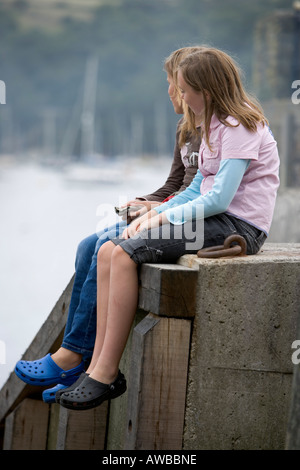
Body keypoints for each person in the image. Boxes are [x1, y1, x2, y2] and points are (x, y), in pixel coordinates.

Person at [57, 46, 280, 411]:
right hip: (212, 218)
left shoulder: (241, 127)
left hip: (238, 226)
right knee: (107, 249)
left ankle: (107, 373)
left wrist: (160, 218)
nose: (177, 94)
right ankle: (95, 365)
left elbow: (221, 199)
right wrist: (153, 213)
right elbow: (195, 188)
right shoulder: (212, 125)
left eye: (182, 87)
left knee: (127, 254)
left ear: (204, 91)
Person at [14, 46, 203, 402]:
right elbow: (173, 185)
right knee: (88, 244)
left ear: (186, 87)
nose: (167, 91)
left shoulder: (211, 130)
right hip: (171, 209)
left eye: (170, 83)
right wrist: (143, 201)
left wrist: (154, 211)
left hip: (183, 219)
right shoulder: (184, 129)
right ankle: (77, 355)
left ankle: (74, 357)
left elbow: (198, 192)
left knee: (105, 246)